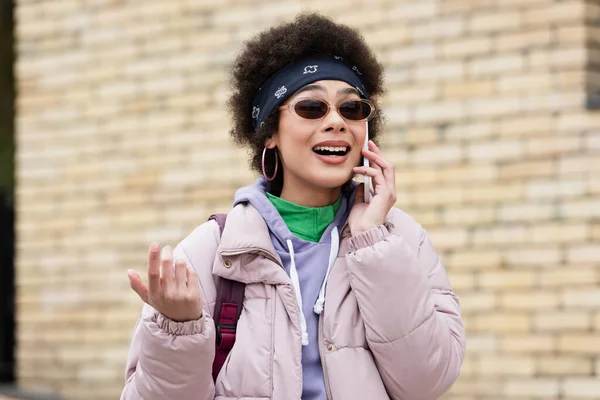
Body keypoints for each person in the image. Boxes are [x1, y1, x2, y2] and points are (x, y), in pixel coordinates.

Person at [121, 12, 465, 400]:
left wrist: (373, 243)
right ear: (270, 133)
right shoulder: (211, 253)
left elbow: (426, 383)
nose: (336, 121)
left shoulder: (402, 239)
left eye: (352, 109)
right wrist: (178, 331)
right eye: (311, 108)